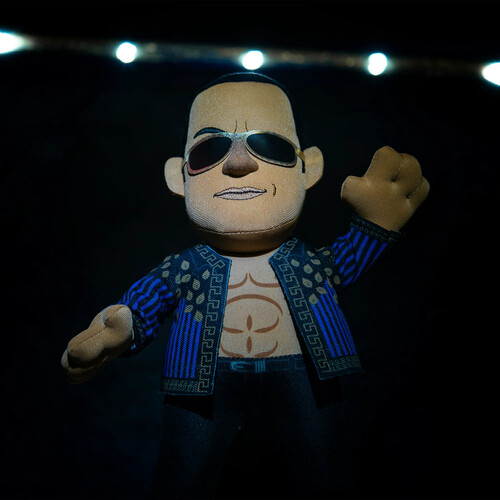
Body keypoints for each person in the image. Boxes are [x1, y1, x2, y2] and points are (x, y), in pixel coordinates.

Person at [61, 72, 429, 498]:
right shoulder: (186, 268)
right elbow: (148, 299)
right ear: (179, 177)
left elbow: (344, 262)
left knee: (323, 467)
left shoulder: (307, 264)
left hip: (304, 376)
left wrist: (375, 227)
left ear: (308, 168)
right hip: (203, 382)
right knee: (184, 470)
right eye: (209, 150)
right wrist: (119, 327)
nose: (239, 163)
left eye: (270, 146)